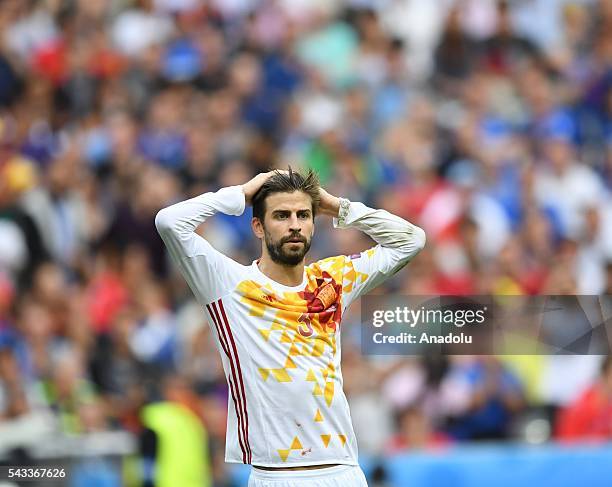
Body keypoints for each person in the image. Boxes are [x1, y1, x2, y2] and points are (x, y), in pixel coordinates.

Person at [155, 168, 426, 486]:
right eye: (281, 215)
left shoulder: (332, 280)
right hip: (276, 475)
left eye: (303, 215)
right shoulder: (227, 283)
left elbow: (410, 241)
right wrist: (240, 194)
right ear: (258, 226)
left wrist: (338, 207)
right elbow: (169, 222)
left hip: (343, 472)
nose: (295, 225)